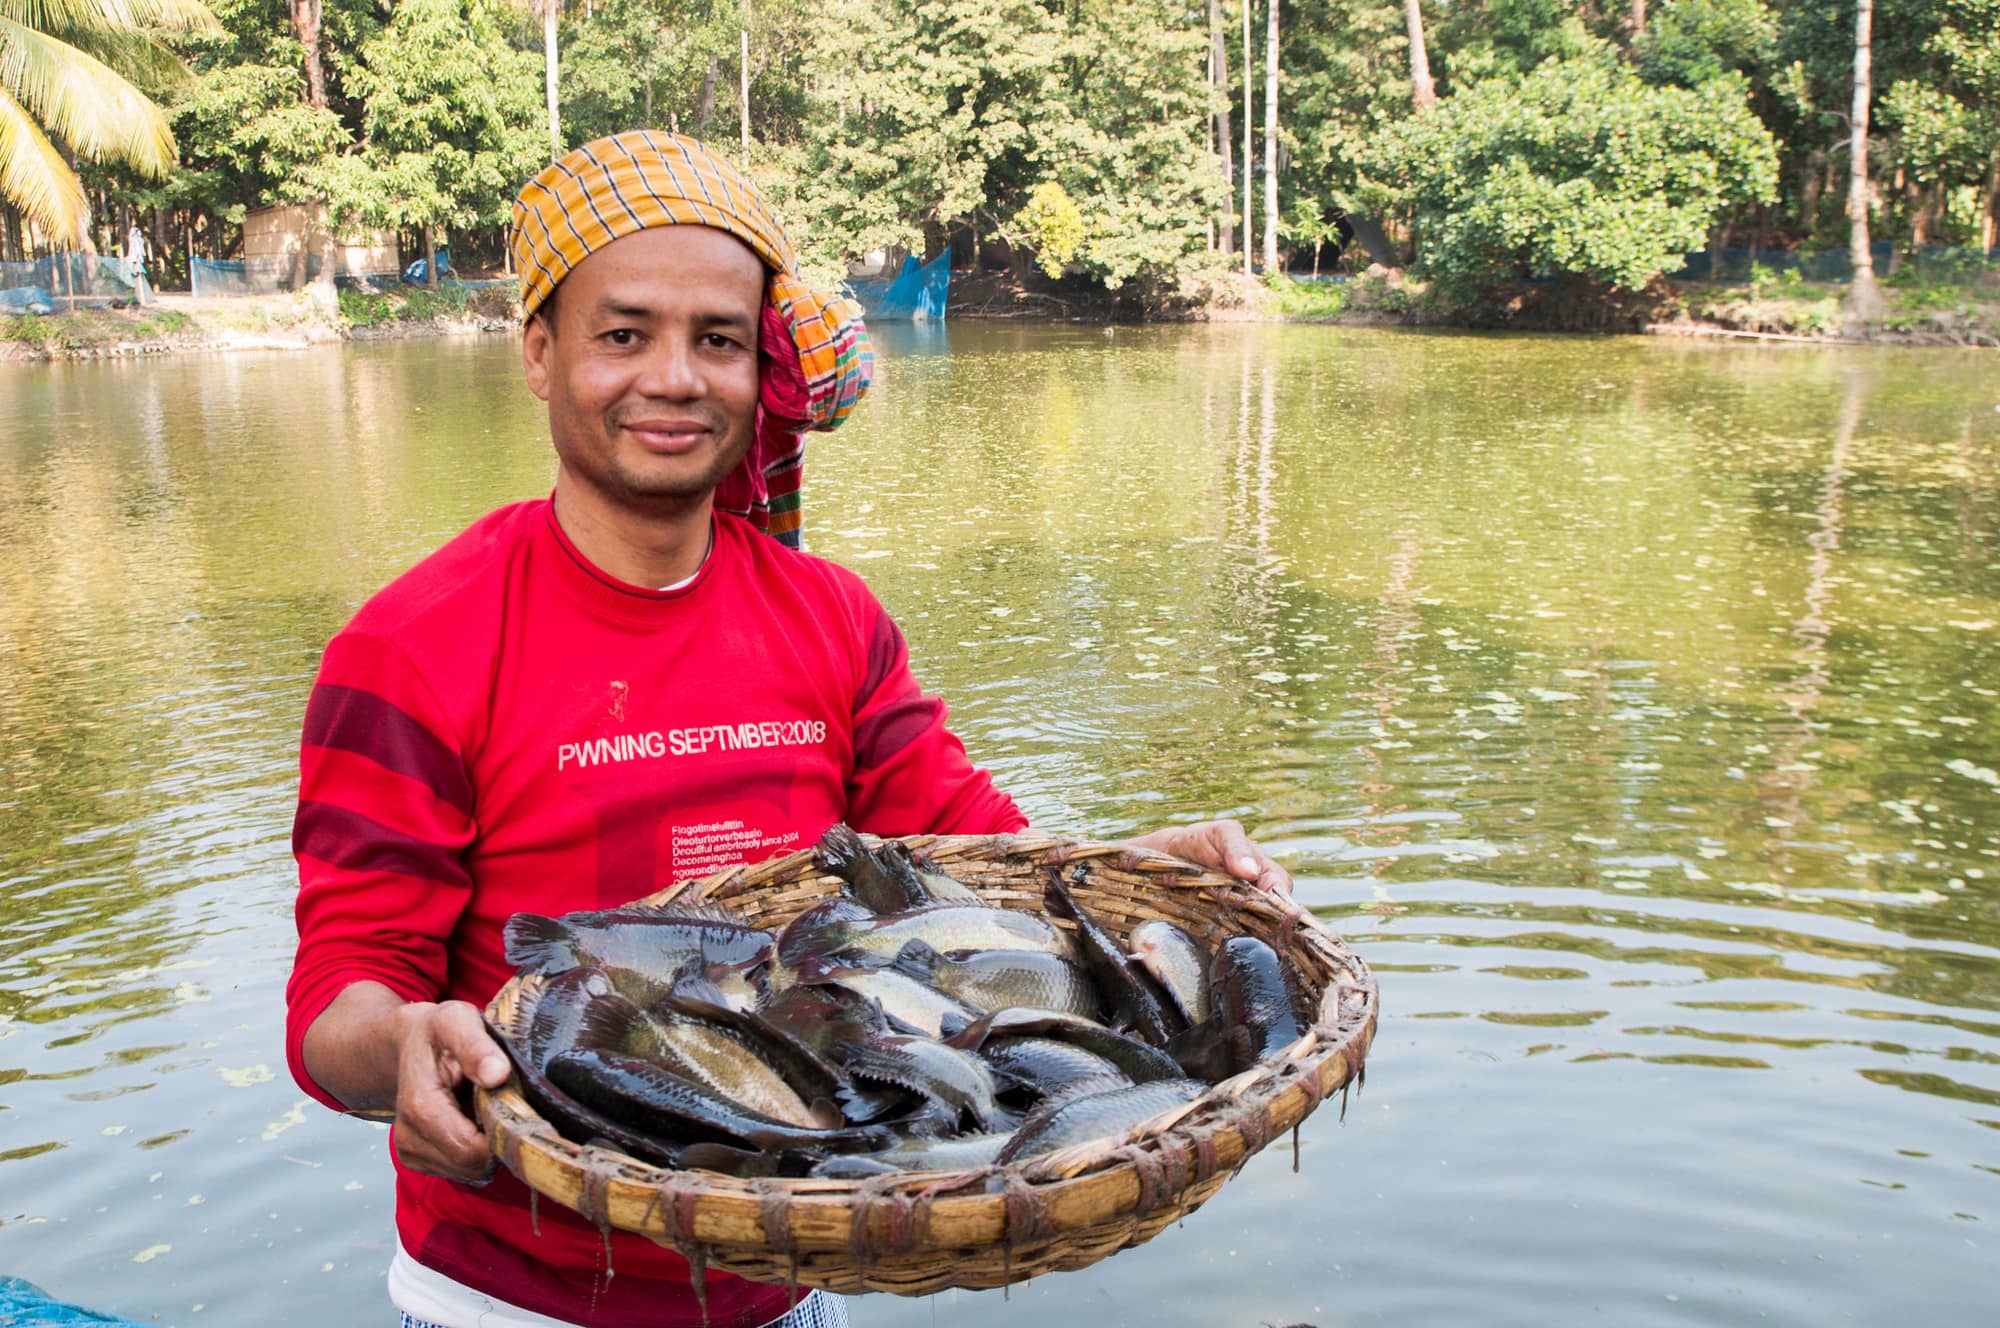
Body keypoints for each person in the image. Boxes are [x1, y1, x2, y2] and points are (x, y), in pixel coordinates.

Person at [285, 131, 1293, 1328]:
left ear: (753, 366)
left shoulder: (829, 618)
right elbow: (339, 995)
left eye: (716, 338)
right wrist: (405, 1041)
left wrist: (1137, 874)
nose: (674, 376)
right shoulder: (413, 648)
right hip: (517, 1302)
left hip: (795, 1285)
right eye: (624, 332)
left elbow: (975, 851)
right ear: (540, 352)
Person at [124, 222, 150, 305]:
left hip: (137, 260)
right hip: (134, 260)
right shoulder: (133, 240)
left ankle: (140, 298)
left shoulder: (138, 240)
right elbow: (134, 251)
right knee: (133, 279)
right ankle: (134, 297)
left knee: (138, 278)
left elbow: (140, 251)